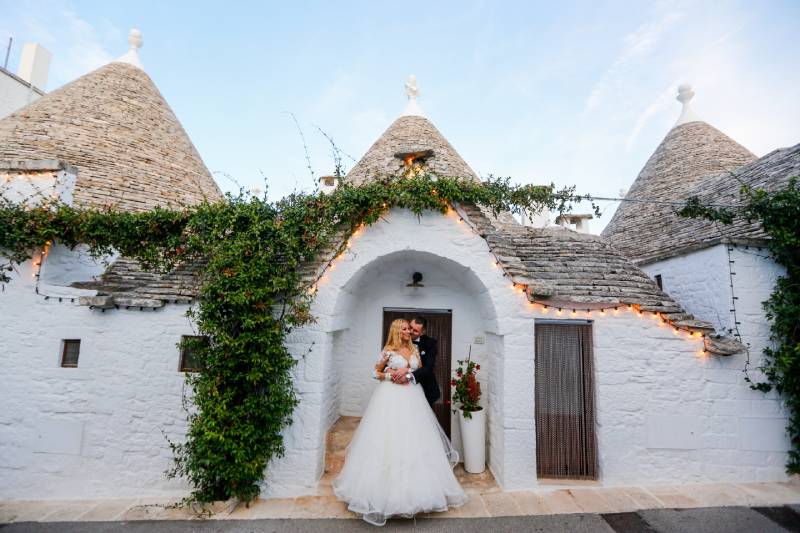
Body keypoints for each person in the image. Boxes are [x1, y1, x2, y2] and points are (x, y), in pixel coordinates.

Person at [332, 318, 466, 526]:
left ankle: (418, 493)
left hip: (414, 396)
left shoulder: (414, 349)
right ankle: (383, 495)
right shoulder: (388, 351)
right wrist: (391, 375)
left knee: (416, 440)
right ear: (397, 331)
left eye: (410, 329)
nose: (408, 332)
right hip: (390, 397)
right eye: (405, 329)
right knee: (388, 439)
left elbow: (423, 369)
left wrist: (408, 373)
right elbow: (375, 372)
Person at [392, 316, 439, 408]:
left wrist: (408, 376)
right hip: (399, 388)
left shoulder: (430, 343)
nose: (410, 331)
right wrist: (391, 371)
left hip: (424, 387)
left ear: (422, 332)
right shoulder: (397, 341)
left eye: (415, 331)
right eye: (410, 327)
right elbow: (387, 364)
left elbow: (428, 367)